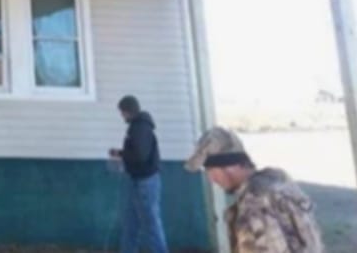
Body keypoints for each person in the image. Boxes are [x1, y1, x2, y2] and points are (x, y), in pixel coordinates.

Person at [186, 127, 324, 253]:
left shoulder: (255, 203)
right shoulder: (277, 183)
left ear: (228, 165)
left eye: (210, 169)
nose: (211, 178)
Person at [109, 95, 169, 253]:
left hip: (145, 181)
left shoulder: (140, 128)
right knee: (132, 222)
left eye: (122, 112)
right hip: (138, 180)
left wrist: (123, 155)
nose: (122, 116)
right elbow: (137, 151)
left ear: (128, 111)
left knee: (150, 223)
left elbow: (140, 156)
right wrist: (120, 153)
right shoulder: (138, 127)